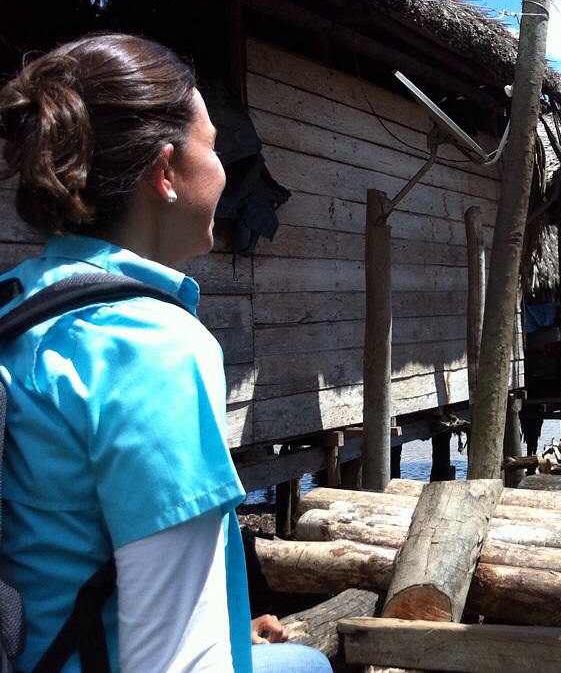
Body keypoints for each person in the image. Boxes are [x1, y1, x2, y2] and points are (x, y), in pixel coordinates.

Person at [0, 34, 330, 671]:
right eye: (214, 146)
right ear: (165, 172)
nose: (225, 171)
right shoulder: (150, 348)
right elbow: (179, 657)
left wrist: (235, 620)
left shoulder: (17, 305)